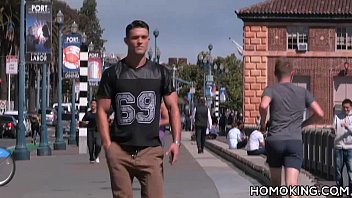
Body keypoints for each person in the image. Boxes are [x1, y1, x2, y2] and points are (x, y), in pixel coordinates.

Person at [96, 20, 181, 198]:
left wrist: (176, 142)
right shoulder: (112, 74)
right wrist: (107, 145)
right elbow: (102, 110)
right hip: (120, 150)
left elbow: (173, 108)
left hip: (150, 150)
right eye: (135, 37)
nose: (139, 41)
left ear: (149, 40)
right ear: (126, 41)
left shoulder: (160, 73)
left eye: (143, 37)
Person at [259, 58, 324, 198]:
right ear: (292, 73)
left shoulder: (270, 89)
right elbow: (320, 113)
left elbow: (264, 106)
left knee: (275, 185)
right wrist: (305, 123)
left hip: (275, 140)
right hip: (294, 141)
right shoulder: (303, 92)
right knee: (292, 186)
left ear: (275, 73)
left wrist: (263, 125)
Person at [333, 98, 352, 193]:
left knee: (351, 170)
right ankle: (339, 191)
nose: (345, 109)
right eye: (344, 107)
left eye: (347, 108)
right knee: (338, 170)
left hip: (350, 148)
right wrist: (333, 131)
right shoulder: (337, 116)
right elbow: (334, 127)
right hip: (338, 147)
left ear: (351, 107)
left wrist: (347, 126)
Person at [82, 99, 101, 164]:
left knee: (98, 144)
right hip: (90, 131)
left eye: (94, 103)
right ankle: (91, 157)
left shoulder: (99, 113)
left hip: (98, 131)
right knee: (90, 146)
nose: (93, 105)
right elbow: (83, 122)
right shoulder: (88, 114)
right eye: (92, 103)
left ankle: (96, 155)